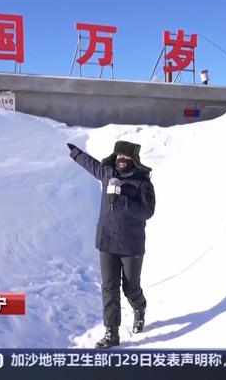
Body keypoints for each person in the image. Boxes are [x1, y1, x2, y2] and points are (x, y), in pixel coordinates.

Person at [67, 140, 156, 348]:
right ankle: (111, 332)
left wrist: (122, 200)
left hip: (131, 245)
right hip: (107, 241)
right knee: (109, 288)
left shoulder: (142, 183)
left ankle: (139, 307)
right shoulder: (108, 174)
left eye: (126, 157)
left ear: (133, 159)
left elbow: (148, 211)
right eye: (119, 156)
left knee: (131, 288)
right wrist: (75, 153)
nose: (121, 160)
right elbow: (91, 164)